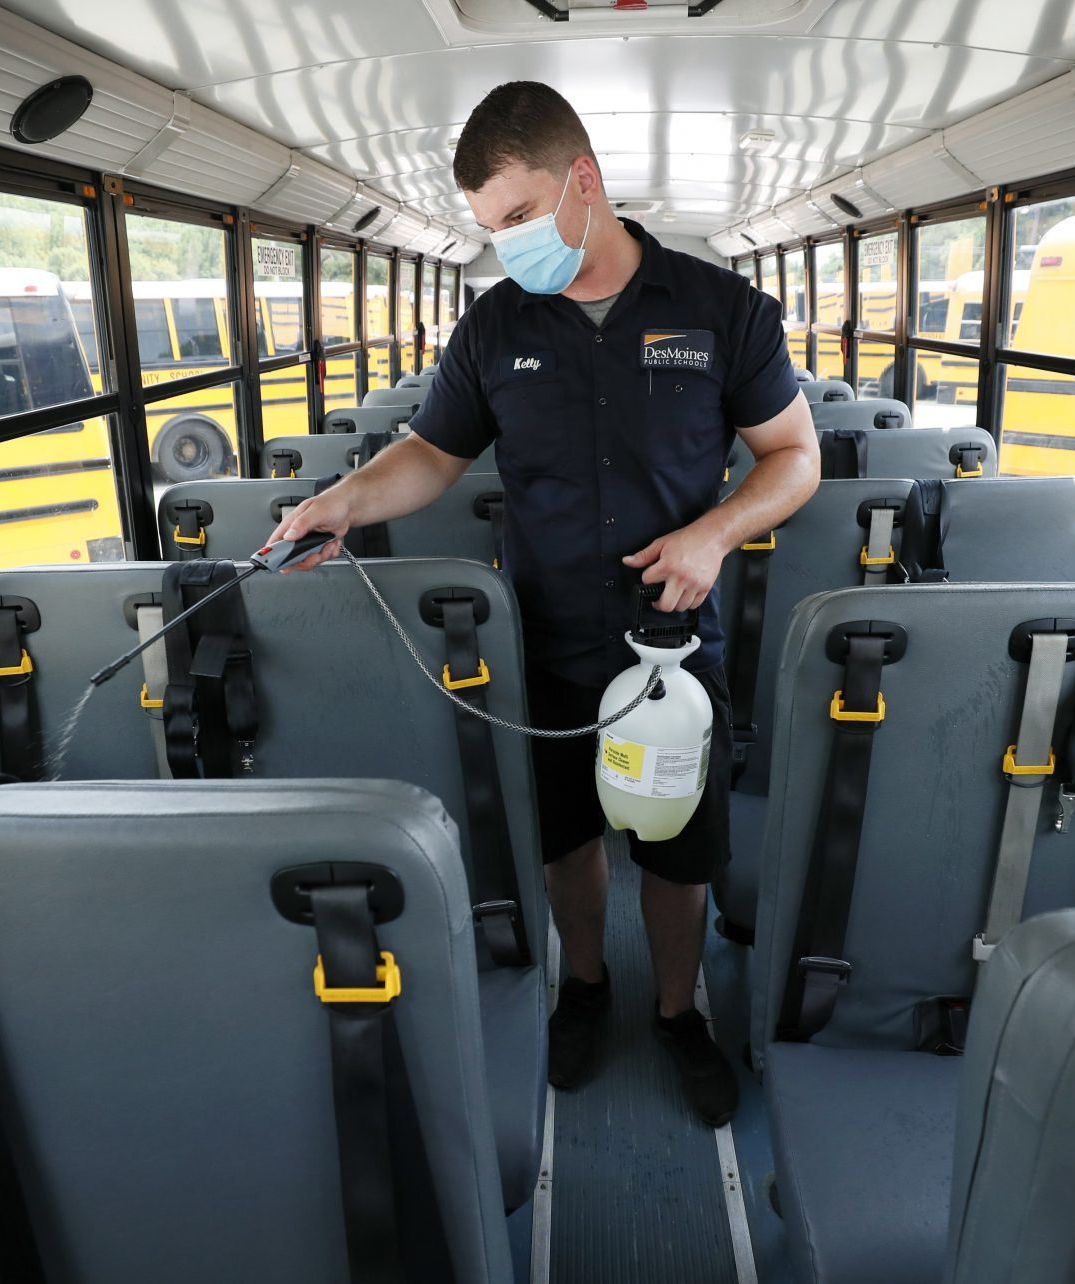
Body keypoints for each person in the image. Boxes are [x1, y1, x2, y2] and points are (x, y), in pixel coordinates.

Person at [268, 81, 818, 1126]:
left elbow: (795, 456)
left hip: (673, 648)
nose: (508, 244)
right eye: (490, 229)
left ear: (583, 183)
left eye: (518, 217)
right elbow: (433, 452)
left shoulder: (722, 311)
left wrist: (715, 532)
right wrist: (342, 499)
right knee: (567, 845)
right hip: (547, 645)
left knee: (677, 853)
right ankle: (586, 986)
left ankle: (673, 1011)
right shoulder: (493, 327)